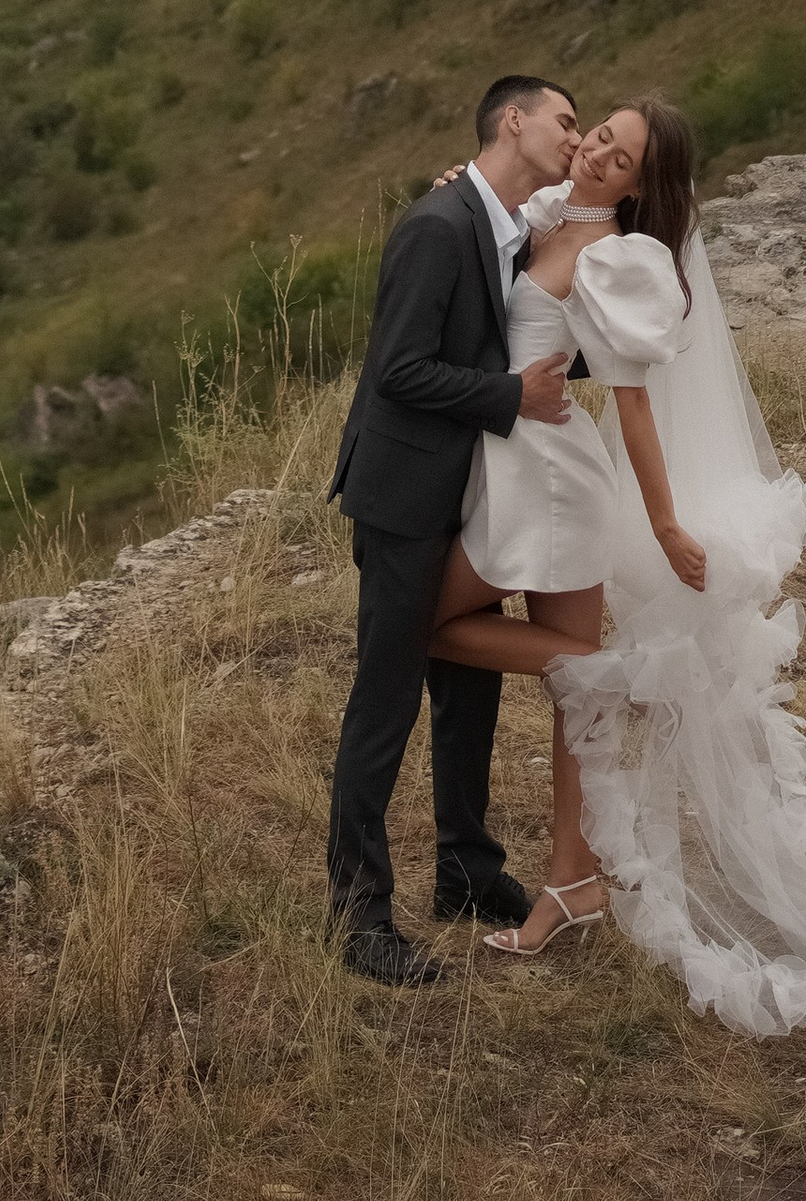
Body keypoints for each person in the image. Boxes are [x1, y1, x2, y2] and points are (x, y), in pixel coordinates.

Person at [426, 94, 806, 1044]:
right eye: (599, 133)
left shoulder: (618, 258)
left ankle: (613, 684)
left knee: (434, 626)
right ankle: (572, 881)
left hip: (557, 486)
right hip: (519, 470)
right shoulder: (551, 212)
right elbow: (490, 223)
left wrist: (667, 525)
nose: (600, 150)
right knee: (573, 695)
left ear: (645, 184)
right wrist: (460, 186)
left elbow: (637, 407)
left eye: (622, 153)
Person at [324, 73, 579, 985]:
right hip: (403, 502)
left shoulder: (501, 229)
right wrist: (513, 397)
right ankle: (357, 922)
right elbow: (397, 372)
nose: (575, 136)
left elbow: (515, 335)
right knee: (385, 704)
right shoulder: (437, 227)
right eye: (565, 120)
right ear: (513, 122)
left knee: (468, 693)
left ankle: (467, 872)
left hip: (470, 498)